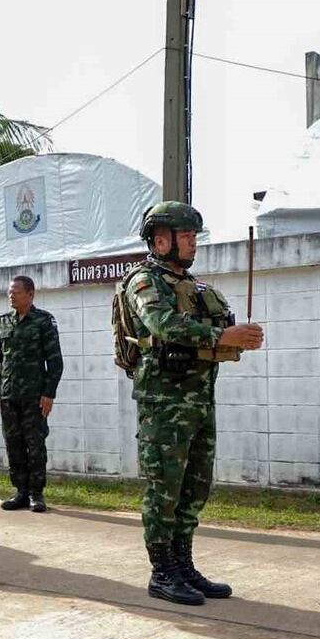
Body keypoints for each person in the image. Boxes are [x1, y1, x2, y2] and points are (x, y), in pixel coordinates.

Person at [116, 201, 263, 606]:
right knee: (164, 488)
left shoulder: (194, 286)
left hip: (198, 399)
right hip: (164, 403)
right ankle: (162, 572)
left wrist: (238, 337)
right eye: (186, 237)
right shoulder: (144, 281)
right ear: (161, 240)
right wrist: (222, 337)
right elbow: (162, 324)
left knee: (194, 488)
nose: (192, 244)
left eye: (194, 237)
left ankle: (183, 566)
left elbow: (215, 328)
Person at [0, 275, 63, 513]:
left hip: (34, 396)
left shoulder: (44, 321)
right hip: (9, 395)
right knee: (14, 444)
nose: (11, 295)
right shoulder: (2, 323)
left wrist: (48, 393)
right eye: (9, 292)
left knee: (35, 444)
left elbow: (55, 362)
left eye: (16, 292)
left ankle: (36, 494)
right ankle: (20, 491)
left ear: (30, 294)